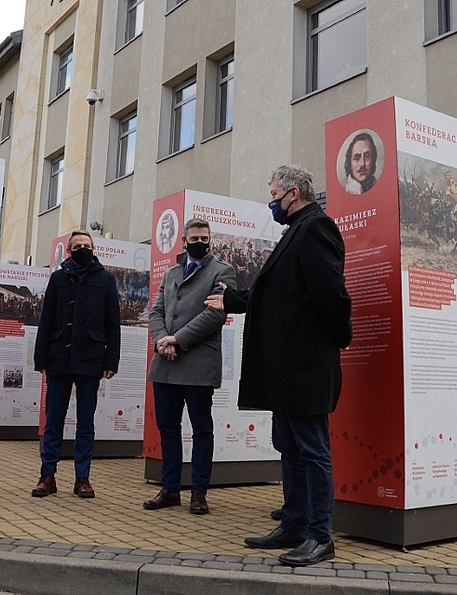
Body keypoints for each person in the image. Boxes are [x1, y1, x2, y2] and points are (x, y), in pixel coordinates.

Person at [205, 165, 352, 566]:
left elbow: (331, 296)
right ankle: (294, 524)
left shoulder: (317, 228)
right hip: (287, 367)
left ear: (292, 193)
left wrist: (338, 339)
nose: (271, 200)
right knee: (288, 446)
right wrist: (234, 300)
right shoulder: (294, 232)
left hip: (306, 365)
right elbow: (280, 295)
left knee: (312, 449)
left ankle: (320, 535)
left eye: (273, 192)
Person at [144, 218, 235, 515]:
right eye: (194, 237)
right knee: (168, 428)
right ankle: (170, 489)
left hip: (198, 363)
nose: (199, 242)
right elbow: (156, 311)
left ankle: (199, 492)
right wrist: (161, 341)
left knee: (201, 430)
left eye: (204, 238)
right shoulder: (171, 273)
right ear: (183, 241)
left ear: (210, 240)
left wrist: (177, 339)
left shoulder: (222, 271)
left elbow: (215, 315)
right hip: (166, 363)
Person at [32, 230, 121, 499]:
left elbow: (112, 323)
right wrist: (40, 358)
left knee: (86, 423)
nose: (83, 248)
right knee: (53, 421)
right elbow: (46, 319)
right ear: (69, 251)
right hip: (59, 358)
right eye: (77, 245)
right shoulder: (58, 278)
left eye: (87, 245)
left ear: (94, 249)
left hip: (90, 360)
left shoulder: (106, 279)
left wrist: (111, 360)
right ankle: (47, 476)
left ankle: (83, 478)